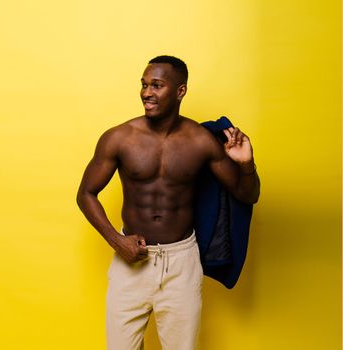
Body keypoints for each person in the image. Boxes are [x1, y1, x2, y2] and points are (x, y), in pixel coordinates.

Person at [76, 55, 260, 350]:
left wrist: (246, 165)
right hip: (131, 262)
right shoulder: (119, 138)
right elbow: (85, 193)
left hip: (181, 263)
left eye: (157, 85)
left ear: (180, 91)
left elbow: (247, 194)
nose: (147, 92)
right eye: (144, 84)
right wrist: (116, 240)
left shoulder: (201, 141)